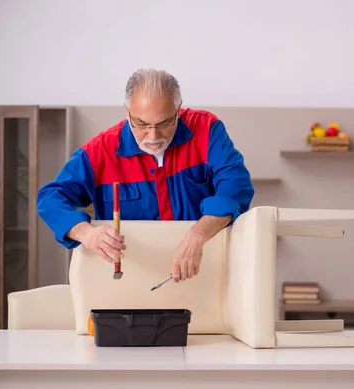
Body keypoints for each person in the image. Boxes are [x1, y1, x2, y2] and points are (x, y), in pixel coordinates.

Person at [37, 68, 255, 282]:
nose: (153, 136)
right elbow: (50, 199)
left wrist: (197, 234)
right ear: (127, 111)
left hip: (205, 274)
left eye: (164, 123)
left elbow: (236, 184)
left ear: (178, 108)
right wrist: (86, 233)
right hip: (131, 282)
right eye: (141, 123)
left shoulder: (207, 130)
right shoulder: (100, 151)